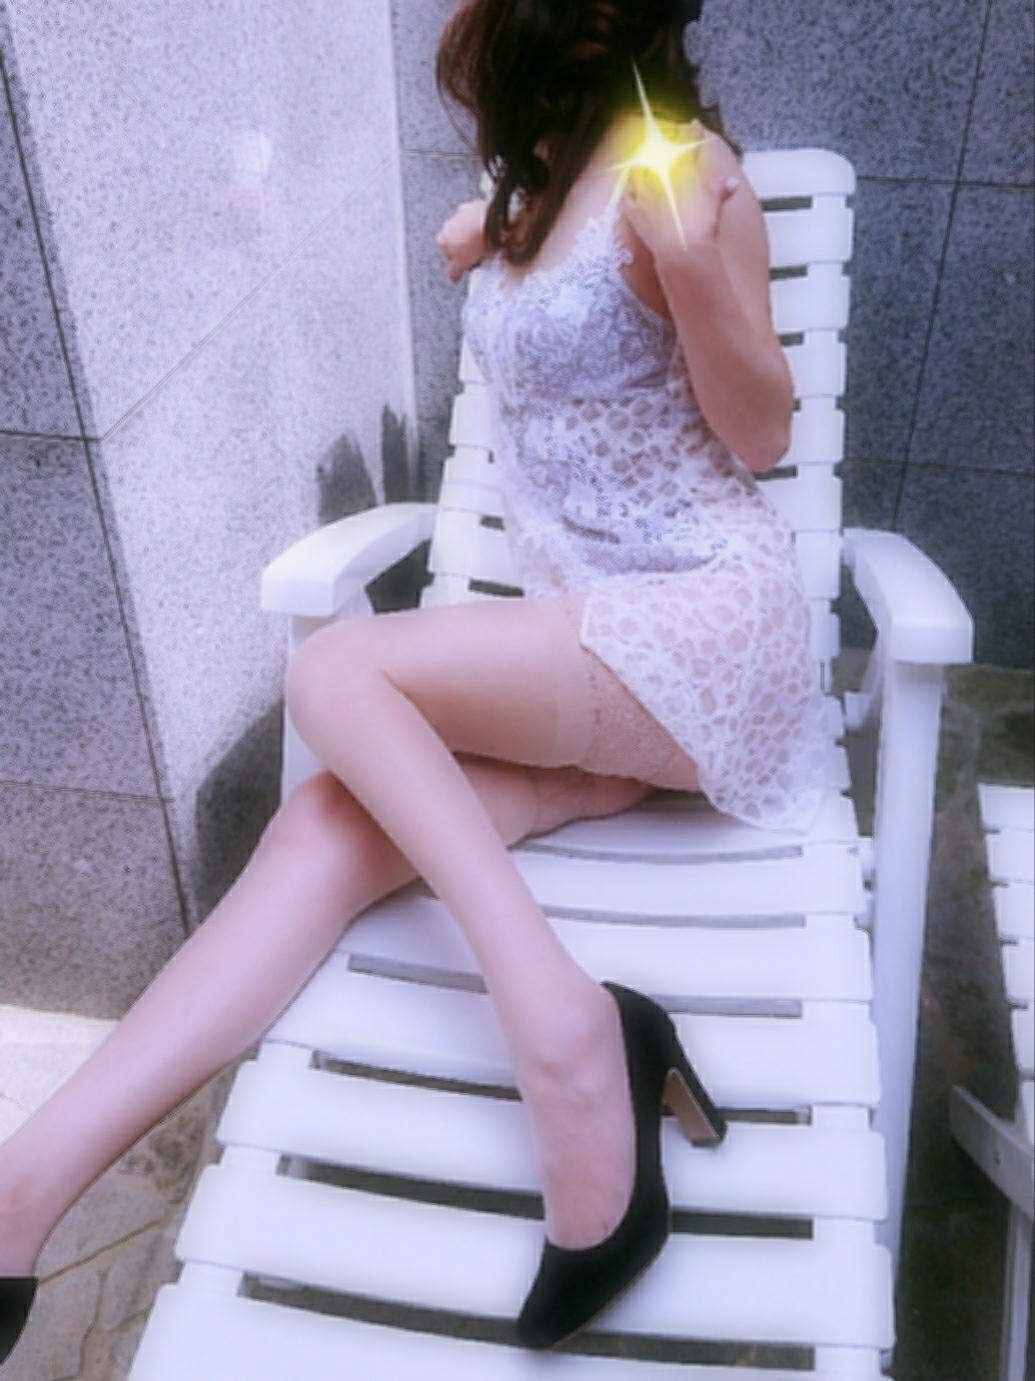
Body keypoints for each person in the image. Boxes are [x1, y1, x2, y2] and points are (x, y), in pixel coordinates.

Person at [0, 0, 828, 1360]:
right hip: (598, 662)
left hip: (706, 626)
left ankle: (564, 1030)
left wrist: (692, 269)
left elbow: (762, 432)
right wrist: (495, 239)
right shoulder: (544, 176)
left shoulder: (690, 172)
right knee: (324, 826)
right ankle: (20, 1196)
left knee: (340, 674)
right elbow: (563, 314)